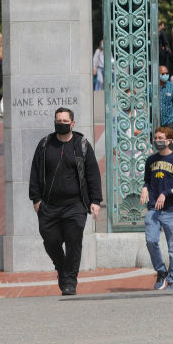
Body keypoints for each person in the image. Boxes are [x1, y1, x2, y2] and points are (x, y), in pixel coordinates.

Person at [28, 107, 102, 295]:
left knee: (73, 242)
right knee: (50, 240)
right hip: (49, 206)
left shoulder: (82, 144)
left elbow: (93, 173)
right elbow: (35, 173)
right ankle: (61, 268)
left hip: (75, 205)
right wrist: (36, 200)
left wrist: (95, 201)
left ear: (72, 123)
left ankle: (70, 281)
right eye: (58, 121)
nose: (61, 124)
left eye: (64, 121)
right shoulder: (45, 145)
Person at [141, 126, 173, 290]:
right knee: (151, 240)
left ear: (169, 141)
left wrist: (166, 193)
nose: (157, 141)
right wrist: (145, 188)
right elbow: (147, 179)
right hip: (154, 208)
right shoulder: (151, 160)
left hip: (172, 210)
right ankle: (161, 271)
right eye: (156, 138)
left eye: (161, 138)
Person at [157, 64, 173, 140]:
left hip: (169, 122)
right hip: (155, 122)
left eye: (167, 73)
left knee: (169, 145)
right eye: (162, 74)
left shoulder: (172, 87)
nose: (165, 75)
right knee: (157, 145)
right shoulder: (151, 87)